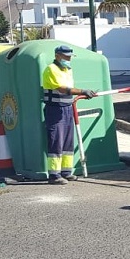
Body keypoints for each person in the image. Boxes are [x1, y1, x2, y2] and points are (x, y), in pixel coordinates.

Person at [42, 45, 96, 184]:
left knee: (67, 142)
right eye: (66, 57)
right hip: (55, 109)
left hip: (67, 108)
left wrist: (83, 93)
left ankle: (66, 172)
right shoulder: (51, 69)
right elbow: (61, 89)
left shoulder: (67, 69)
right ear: (57, 56)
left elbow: (69, 89)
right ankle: (54, 175)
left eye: (70, 56)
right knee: (56, 142)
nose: (69, 59)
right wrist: (82, 91)